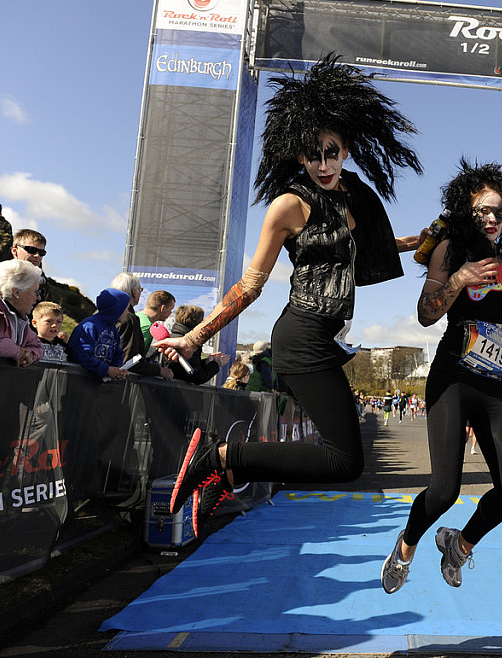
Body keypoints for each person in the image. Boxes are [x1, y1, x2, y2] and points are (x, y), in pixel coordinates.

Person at [155, 54, 424, 533]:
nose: (323, 164)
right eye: (312, 154)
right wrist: (195, 338)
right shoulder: (288, 205)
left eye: (331, 152)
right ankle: (222, 456)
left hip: (325, 340)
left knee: (344, 458)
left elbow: (360, 251)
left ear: (346, 150)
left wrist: (415, 242)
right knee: (344, 460)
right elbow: (250, 285)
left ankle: (227, 471)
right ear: (298, 155)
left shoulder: (354, 197)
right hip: (300, 337)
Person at [380, 158, 502, 593]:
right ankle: (406, 545)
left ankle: (458, 545)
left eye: (499, 212)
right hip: (452, 377)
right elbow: (425, 314)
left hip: (490, 383)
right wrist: (459, 278)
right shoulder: (448, 250)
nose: (493, 219)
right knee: (444, 491)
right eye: (483, 211)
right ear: (467, 212)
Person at [67, 288, 131, 380]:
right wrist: (107, 370)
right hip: (79, 381)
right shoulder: (89, 326)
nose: (128, 312)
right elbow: (81, 354)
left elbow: (117, 354)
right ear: (116, 308)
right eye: (126, 308)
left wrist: (118, 368)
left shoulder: (113, 329)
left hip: (97, 384)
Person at [158, 305, 231, 384]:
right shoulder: (188, 344)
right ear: (198, 322)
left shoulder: (174, 338)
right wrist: (216, 364)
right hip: (177, 389)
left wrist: (206, 361)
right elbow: (196, 377)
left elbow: (186, 368)